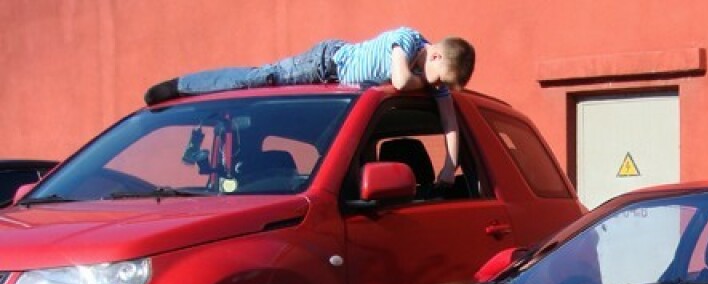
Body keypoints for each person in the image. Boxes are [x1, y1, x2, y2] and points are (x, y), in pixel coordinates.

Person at [143, 28, 475, 184]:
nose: (437, 87)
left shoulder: (433, 78)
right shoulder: (408, 39)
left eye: (442, 85)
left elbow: (449, 121)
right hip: (325, 63)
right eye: (439, 79)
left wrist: (449, 165)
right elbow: (401, 82)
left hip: (343, 85)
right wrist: (426, 84)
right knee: (261, 78)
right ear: (435, 54)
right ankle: (180, 86)